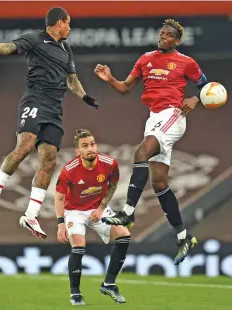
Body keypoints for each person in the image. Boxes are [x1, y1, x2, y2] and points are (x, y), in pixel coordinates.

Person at [0, 7, 98, 239]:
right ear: (59, 23)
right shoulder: (34, 39)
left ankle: (31, 214)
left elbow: (72, 79)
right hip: (35, 99)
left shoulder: (65, 49)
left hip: (54, 110)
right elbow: (10, 47)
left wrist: (84, 96)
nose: (70, 28)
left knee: (49, 160)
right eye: (68, 23)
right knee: (25, 146)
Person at [94, 19, 208, 265]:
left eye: (168, 35)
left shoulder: (186, 62)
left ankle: (127, 213)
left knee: (141, 152)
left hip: (172, 115)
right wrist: (110, 78)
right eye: (162, 33)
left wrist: (196, 99)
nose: (163, 37)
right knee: (159, 183)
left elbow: (208, 86)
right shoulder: (145, 59)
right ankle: (183, 237)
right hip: (154, 117)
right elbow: (125, 88)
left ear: (177, 41)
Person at [55, 129, 131, 306]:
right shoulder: (69, 171)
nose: (90, 149)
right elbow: (59, 198)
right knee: (79, 246)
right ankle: (75, 294)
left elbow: (113, 185)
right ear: (77, 151)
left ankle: (109, 284)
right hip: (74, 211)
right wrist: (60, 225)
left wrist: (101, 208)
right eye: (85, 146)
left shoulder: (110, 163)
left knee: (124, 235)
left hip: (98, 208)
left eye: (92, 144)